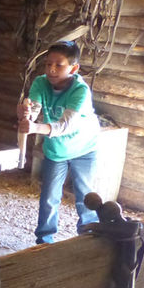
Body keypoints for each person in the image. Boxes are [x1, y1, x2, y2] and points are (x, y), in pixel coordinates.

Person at [17, 41, 99, 244]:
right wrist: (25, 113)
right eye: (48, 64)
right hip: (56, 150)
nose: (51, 70)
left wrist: (35, 128)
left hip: (84, 148)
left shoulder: (80, 90)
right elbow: (34, 110)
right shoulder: (40, 83)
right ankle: (44, 241)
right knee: (49, 198)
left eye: (59, 65)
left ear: (74, 67)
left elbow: (66, 126)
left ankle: (89, 237)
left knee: (85, 197)